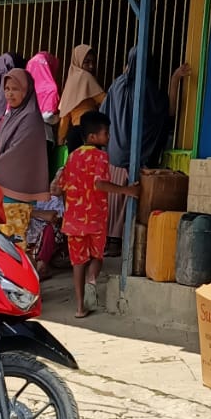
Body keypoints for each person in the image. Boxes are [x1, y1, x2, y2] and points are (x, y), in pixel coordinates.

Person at [54, 111, 141, 317]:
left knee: (77, 262)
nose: (109, 136)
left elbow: (61, 187)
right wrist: (127, 190)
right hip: (95, 218)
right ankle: (92, 281)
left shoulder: (73, 156)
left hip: (73, 221)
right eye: (106, 133)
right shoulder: (101, 157)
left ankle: (79, 308)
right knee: (97, 257)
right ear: (93, 137)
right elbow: (100, 183)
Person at [103, 48, 171, 244]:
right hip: (135, 155)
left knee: (112, 198)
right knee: (128, 199)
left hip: (114, 153)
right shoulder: (147, 88)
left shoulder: (117, 84)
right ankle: (120, 241)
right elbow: (162, 114)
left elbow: (104, 112)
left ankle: (109, 239)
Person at [0, 66, 50, 243]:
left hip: (17, 193)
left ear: (26, 90)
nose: (9, 94)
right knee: (0, 244)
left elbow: (18, 154)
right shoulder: (11, 115)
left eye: (15, 89)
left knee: (13, 245)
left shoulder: (30, 117)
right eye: (7, 89)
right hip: (1, 191)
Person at [57, 43, 105, 144]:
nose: (91, 66)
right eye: (86, 62)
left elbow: (65, 117)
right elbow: (105, 100)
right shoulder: (86, 77)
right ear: (78, 61)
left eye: (93, 62)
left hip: (75, 133)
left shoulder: (70, 81)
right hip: (90, 131)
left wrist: (60, 140)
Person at [25, 51, 61, 124]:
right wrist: (58, 118)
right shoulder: (51, 88)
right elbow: (47, 117)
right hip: (42, 131)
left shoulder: (22, 87)